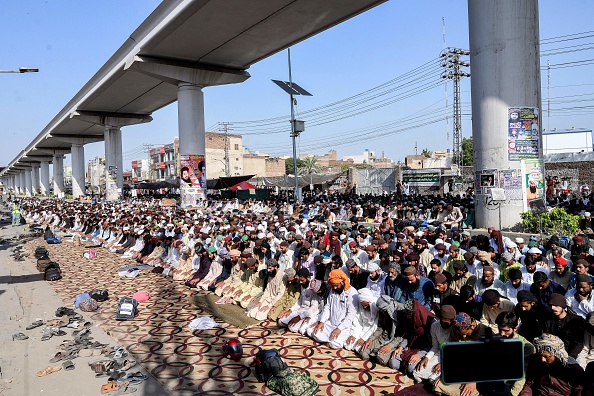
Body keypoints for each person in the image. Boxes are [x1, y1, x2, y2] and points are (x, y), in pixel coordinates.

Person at [307, 269, 358, 349]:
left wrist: (339, 329)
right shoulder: (333, 290)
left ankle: (328, 341)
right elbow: (328, 307)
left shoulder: (352, 293)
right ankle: (327, 341)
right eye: (332, 285)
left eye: (336, 285)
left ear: (342, 281)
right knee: (310, 331)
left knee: (335, 344)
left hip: (343, 327)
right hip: (330, 323)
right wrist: (322, 322)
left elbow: (350, 316)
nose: (334, 287)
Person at [359, 295, 406, 366]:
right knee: (363, 353)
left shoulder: (402, 312)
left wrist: (390, 346)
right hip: (384, 336)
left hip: (396, 341)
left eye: (384, 311)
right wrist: (371, 339)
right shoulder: (382, 310)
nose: (383, 312)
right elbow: (380, 327)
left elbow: (402, 335)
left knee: (381, 358)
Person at [278, 269, 323, 334]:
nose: (300, 282)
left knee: (292, 327)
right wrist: (290, 310)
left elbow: (314, 308)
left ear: (308, 278)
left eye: (302, 280)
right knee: (281, 321)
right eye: (300, 280)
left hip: (308, 312)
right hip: (301, 310)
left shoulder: (313, 287)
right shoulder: (302, 286)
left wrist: (300, 317)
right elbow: (300, 301)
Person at [543, 293, 586, 359]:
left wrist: (570, 358)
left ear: (562, 306)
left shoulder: (575, 321)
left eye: (556, 305)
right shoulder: (548, 320)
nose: (552, 308)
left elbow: (578, 343)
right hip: (553, 353)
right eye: (551, 305)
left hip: (572, 354)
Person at [344, 288, 379, 353]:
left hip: (370, 333)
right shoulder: (361, 305)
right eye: (363, 305)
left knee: (359, 348)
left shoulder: (376, 306)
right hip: (360, 330)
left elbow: (375, 327)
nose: (364, 307)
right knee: (348, 345)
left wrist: (364, 338)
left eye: (366, 305)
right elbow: (357, 322)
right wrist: (354, 335)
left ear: (370, 302)